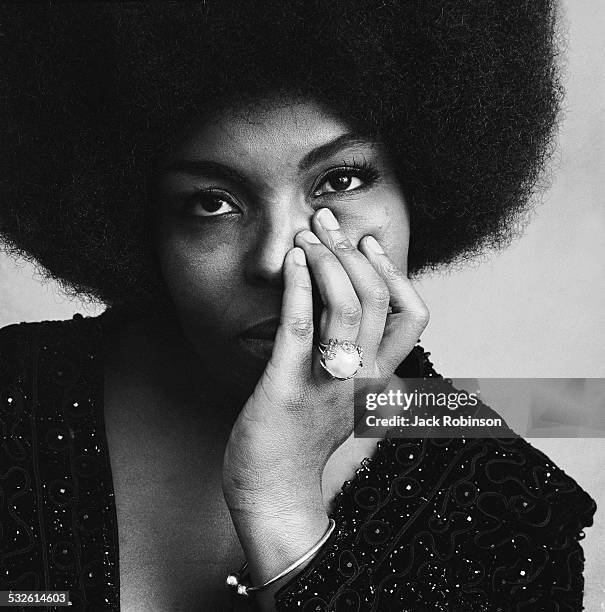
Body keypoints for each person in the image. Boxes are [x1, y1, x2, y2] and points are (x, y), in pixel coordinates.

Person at [0, 2, 597, 611]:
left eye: (340, 180)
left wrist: (278, 502)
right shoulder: (12, 402)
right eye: (211, 202)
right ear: (139, 224)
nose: (276, 257)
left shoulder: (508, 508)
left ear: (422, 185)